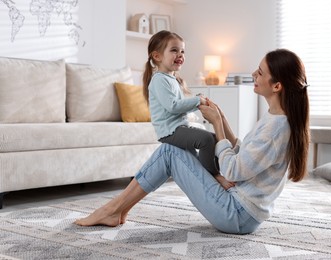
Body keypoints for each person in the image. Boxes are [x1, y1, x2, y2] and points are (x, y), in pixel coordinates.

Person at [74, 48, 310, 235]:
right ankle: (117, 209)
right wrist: (223, 119)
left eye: (260, 72)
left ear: (277, 86)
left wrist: (216, 125)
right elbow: (242, 151)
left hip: (237, 214)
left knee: (169, 151)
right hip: (241, 208)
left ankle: (113, 209)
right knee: (172, 150)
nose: (253, 75)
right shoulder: (275, 118)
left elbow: (234, 170)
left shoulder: (276, 129)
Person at [142, 30, 233, 189]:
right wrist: (197, 101)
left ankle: (218, 170)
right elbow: (173, 106)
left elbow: (178, 103)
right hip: (169, 130)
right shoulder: (159, 80)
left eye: (182, 51)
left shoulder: (171, 79)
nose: (180, 55)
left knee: (214, 137)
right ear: (157, 56)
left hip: (178, 127)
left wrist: (196, 99)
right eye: (174, 50)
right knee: (206, 140)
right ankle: (213, 176)